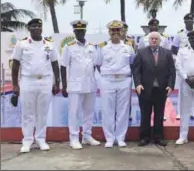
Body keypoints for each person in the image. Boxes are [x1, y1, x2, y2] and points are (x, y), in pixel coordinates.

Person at [11, 18, 60, 153]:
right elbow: (15, 64)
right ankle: (27, 140)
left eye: (39, 26)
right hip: (28, 81)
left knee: (42, 113)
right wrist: (15, 84)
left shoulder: (49, 44)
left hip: (45, 81)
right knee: (28, 113)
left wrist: (57, 82)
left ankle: (41, 139)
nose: (37, 28)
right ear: (29, 28)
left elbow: (55, 64)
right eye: (34, 26)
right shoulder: (22, 44)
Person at [60, 20, 101, 149]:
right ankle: (73, 138)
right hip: (75, 83)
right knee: (74, 112)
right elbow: (63, 66)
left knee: (88, 112)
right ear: (74, 32)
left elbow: (95, 64)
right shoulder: (69, 47)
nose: (79, 33)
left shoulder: (92, 47)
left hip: (90, 83)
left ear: (85, 31)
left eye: (81, 31)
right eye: (77, 31)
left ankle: (87, 136)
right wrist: (65, 85)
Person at [96, 20, 135, 148]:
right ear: (109, 32)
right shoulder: (103, 48)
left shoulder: (128, 47)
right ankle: (109, 138)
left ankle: (120, 137)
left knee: (122, 111)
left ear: (122, 31)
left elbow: (132, 63)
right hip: (107, 80)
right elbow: (98, 64)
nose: (115, 33)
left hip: (124, 80)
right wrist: (107, 74)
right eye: (113, 30)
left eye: (118, 30)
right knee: (108, 110)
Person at [132, 32, 176, 147]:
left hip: (161, 89)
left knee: (159, 114)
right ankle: (144, 137)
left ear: (160, 40)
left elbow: (172, 70)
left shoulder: (166, 53)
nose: (154, 40)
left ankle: (158, 137)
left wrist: (170, 85)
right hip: (145, 89)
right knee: (145, 114)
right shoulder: (141, 52)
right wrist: (138, 84)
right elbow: (136, 70)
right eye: (152, 38)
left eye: (156, 39)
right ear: (149, 40)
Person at [171, 13, 194, 120]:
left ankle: (193, 112)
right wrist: (177, 61)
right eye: (187, 21)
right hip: (183, 66)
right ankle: (180, 113)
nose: (189, 22)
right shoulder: (179, 35)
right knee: (182, 91)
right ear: (184, 22)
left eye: (191, 21)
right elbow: (173, 49)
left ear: (193, 22)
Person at [138, 19, 170, 121]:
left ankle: (161, 116)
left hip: (160, 73)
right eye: (151, 25)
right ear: (149, 27)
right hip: (147, 75)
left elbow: (167, 55)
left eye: (155, 25)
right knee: (146, 108)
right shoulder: (143, 39)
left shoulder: (164, 39)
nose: (153, 27)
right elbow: (140, 55)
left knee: (160, 104)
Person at [120, 21, 136, 121]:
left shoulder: (131, 41)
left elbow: (134, 57)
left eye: (125, 29)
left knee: (127, 94)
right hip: (116, 72)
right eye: (122, 28)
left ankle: (128, 113)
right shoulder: (112, 40)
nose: (123, 30)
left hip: (128, 72)